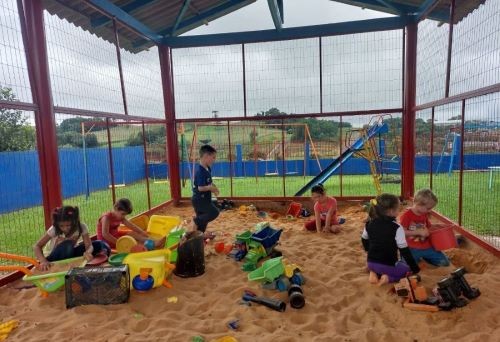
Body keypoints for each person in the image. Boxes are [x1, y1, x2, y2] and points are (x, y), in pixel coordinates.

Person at [361, 194, 420, 285]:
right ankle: (388, 279)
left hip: (371, 263)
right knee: (407, 271)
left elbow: (364, 239)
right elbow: (404, 251)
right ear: (391, 211)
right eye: (398, 209)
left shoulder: (369, 223)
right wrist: (414, 268)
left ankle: (374, 273)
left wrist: (368, 250)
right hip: (387, 265)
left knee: (383, 266)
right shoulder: (397, 227)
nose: (399, 211)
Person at [34, 206, 110, 271]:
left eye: (68, 225)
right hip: (53, 258)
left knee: (101, 244)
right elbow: (37, 246)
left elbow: (89, 245)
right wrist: (43, 261)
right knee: (68, 244)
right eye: (61, 226)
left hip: (70, 254)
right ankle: (68, 266)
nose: (65, 229)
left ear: (75, 221)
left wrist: (88, 252)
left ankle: (75, 263)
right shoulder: (54, 229)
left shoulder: (81, 227)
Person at [399, 188, 450, 267]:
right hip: (410, 248)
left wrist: (438, 228)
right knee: (406, 267)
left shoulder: (424, 213)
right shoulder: (406, 215)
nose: (429, 211)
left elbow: (428, 227)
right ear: (418, 204)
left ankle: (425, 258)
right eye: (428, 208)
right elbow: (401, 232)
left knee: (445, 263)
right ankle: (416, 259)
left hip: (426, 246)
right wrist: (418, 232)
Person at [97, 198, 165, 249]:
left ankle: (155, 241)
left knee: (132, 233)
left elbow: (131, 226)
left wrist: (142, 232)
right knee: (130, 242)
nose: (123, 216)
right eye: (122, 214)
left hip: (115, 236)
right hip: (105, 242)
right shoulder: (106, 217)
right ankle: (149, 245)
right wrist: (119, 242)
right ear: (116, 208)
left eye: (125, 215)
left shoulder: (120, 217)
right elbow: (105, 234)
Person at [191, 145, 220, 234]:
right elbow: (200, 188)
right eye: (213, 157)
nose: (214, 160)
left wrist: (214, 188)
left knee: (202, 224)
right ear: (206, 156)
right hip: (200, 200)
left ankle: (198, 237)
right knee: (214, 212)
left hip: (204, 199)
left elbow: (208, 183)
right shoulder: (200, 171)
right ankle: (196, 221)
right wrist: (211, 188)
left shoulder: (208, 168)